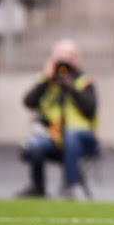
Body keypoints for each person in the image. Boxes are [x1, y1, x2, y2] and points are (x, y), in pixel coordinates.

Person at [20, 39, 98, 199]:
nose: (64, 61)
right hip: (55, 137)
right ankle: (38, 187)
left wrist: (69, 85)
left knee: (71, 136)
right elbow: (29, 102)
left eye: (68, 56)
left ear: (76, 59)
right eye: (60, 56)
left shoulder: (83, 82)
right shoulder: (46, 81)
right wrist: (46, 80)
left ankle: (70, 186)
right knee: (36, 146)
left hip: (82, 139)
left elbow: (90, 108)